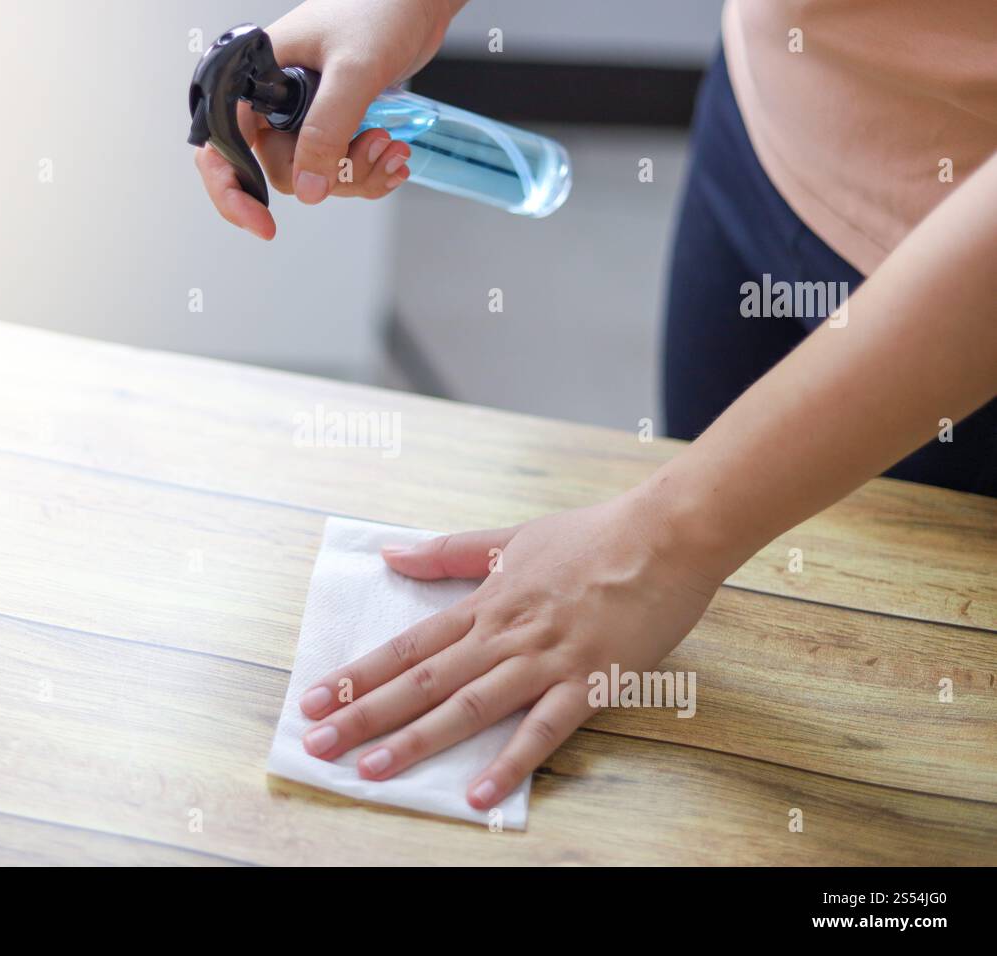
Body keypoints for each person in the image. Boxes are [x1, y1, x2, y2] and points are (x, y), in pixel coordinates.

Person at [194, 0, 997, 812]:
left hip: (963, 317)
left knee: (913, 742)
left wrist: (661, 542)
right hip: (764, 127)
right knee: (723, 683)